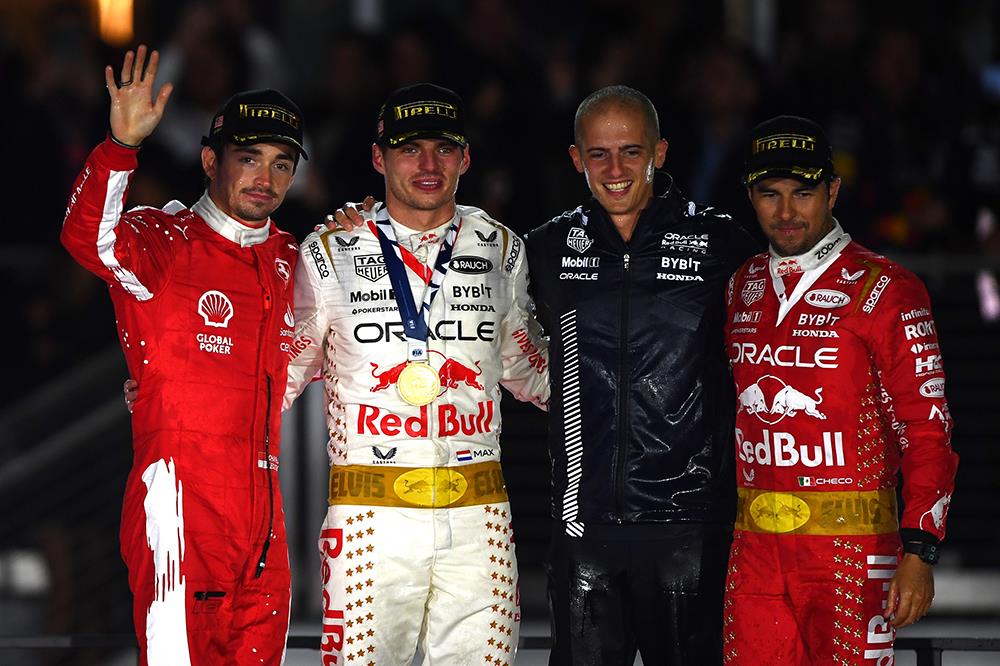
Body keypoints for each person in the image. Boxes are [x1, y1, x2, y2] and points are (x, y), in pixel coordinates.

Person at [283, 83, 549, 665]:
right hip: (370, 521)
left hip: (478, 516)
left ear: (465, 158)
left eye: (443, 148)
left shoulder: (502, 248)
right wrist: (169, 387)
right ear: (379, 159)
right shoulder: (330, 250)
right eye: (409, 149)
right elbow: (279, 375)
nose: (428, 164)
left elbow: (531, 370)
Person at [61, 45, 306, 665]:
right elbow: (88, 238)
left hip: (264, 527)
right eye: (248, 159)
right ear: (209, 160)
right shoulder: (163, 241)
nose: (265, 178)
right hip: (177, 515)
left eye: (281, 164)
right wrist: (121, 146)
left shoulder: (293, 259)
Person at [525, 86, 760, 664]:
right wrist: (366, 224)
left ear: (659, 152)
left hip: (691, 527)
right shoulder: (545, 249)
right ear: (576, 158)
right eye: (598, 154)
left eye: (631, 151)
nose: (615, 170)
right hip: (581, 524)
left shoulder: (721, 243)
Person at [723, 115, 959, 664]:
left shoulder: (888, 288)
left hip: (854, 555)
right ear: (750, 196)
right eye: (770, 194)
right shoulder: (740, 284)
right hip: (755, 553)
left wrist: (921, 549)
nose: (786, 212)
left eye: (803, 193)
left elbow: (927, 428)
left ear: (832, 191)